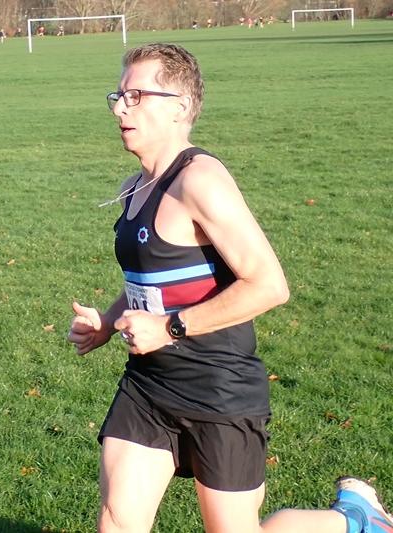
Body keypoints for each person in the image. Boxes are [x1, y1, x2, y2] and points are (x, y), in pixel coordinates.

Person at [68, 43, 393, 533]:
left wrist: (169, 329)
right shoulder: (134, 186)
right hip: (148, 385)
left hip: (219, 389)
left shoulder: (200, 179)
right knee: (117, 523)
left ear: (179, 106)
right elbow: (152, 280)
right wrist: (108, 325)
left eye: (136, 96)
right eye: (119, 96)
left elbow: (269, 285)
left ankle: (354, 519)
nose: (120, 109)